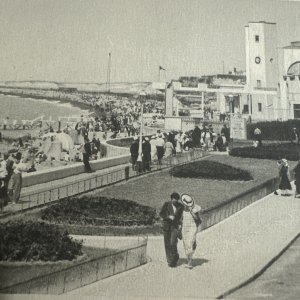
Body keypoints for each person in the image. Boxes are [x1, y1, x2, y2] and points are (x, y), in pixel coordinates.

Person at [159, 192, 184, 268]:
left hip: (175, 227)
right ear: (171, 199)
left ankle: (175, 256)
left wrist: (180, 224)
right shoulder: (166, 204)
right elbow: (161, 214)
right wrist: (168, 216)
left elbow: (181, 217)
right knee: (167, 244)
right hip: (166, 227)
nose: (175, 200)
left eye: (176, 199)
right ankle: (170, 261)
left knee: (173, 243)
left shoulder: (181, 206)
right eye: (173, 199)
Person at [180, 194, 202, 269]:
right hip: (184, 228)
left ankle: (190, 263)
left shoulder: (195, 209)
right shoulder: (181, 209)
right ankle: (189, 260)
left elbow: (198, 219)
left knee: (190, 243)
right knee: (186, 245)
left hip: (192, 227)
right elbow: (180, 220)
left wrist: (191, 211)